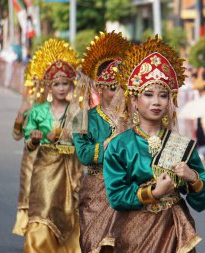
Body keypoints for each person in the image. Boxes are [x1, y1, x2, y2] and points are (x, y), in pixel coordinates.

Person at [103, 37, 205, 252]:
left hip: (173, 230)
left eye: (163, 95)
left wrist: (193, 178)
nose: (156, 101)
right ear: (134, 100)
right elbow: (116, 197)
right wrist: (153, 193)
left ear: (170, 101)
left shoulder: (181, 145)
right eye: (148, 94)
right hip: (134, 235)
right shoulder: (120, 145)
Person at [72, 31, 132, 253]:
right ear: (99, 88)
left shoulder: (134, 120)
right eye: (113, 88)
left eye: (123, 88)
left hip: (126, 189)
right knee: (94, 244)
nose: (119, 95)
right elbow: (84, 155)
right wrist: (107, 145)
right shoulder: (84, 118)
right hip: (96, 190)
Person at [23, 39, 83, 252]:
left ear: (71, 85)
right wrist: (36, 138)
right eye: (56, 84)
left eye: (65, 83)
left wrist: (70, 135)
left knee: (69, 211)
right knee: (43, 209)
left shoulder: (77, 111)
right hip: (45, 168)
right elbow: (28, 144)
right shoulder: (38, 111)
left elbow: (83, 140)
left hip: (70, 169)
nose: (60, 88)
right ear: (48, 86)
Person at [11, 62, 36, 236]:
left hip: (55, 161)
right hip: (31, 159)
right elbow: (16, 135)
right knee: (29, 198)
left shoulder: (60, 107)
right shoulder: (28, 106)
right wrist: (21, 114)